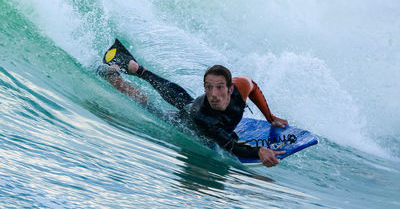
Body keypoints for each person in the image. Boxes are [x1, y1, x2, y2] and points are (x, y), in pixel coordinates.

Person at [99, 41, 289, 168]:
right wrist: (259, 151)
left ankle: (139, 69)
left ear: (231, 88)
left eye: (220, 88)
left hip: (191, 105)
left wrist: (270, 117)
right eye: (209, 88)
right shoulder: (204, 118)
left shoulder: (242, 86)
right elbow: (230, 145)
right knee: (147, 104)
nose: (214, 94)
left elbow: (254, 86)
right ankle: (114, 78)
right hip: (186, 122)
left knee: (182, 99)